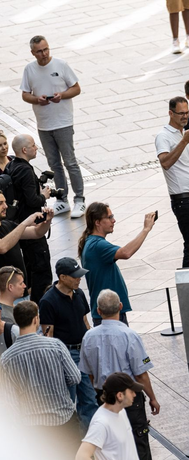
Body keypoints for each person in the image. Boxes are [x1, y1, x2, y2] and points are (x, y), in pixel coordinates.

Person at [79, 289, 162, 460]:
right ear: (120, 308)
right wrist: (152, 397)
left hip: (104, 397)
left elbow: (88, 373)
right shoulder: (129, 335)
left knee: (112, 446)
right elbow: (141, 373)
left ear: (97, 311)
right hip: (129, 398)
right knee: (139, 441)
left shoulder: (89, 336)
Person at [0, 300, 82, 454]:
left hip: (34, 429)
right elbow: (75, 377)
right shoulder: (56, 345)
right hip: (63, 419)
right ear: (36, 319)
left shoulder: (6, 358)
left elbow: (10, 402)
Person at [20, 35, 84, 218]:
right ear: (33, 53)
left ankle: (80, 199)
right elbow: (25, 94)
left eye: (46, 49)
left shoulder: (61, 65)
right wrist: (36, 99)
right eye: (39, 51)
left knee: (70, 162)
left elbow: (76, 88)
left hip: (63, 122)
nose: (44, 54)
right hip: (44, 124)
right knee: (54, 164)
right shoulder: (29, 69)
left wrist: (62, 95)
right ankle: (62, 199)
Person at [39, 257, 97, 431]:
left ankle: (91, 440)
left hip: (82, 351)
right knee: (69, 401)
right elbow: (48, 335)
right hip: (65, 355)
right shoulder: (48, 301)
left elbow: (84, 321)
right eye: (75, 276)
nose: (79, 279)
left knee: (89, 399)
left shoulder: (78, 293)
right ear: (62, 277)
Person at [78, 202, 156, 326]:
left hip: (108, 312)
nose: (113, 220)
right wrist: (146, 229)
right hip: (109, 314)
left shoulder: (91, 242)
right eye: (109, 217)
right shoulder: (97, 245)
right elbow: (126, 253)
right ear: (97, 222)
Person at [156, 97, 189, 268]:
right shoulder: (164, 136)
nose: (185, 116)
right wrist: (184, 141)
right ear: (170, 113)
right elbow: (165, 163)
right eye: (181, 113)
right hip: (183, 199)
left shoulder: (184, 133)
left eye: (187, 112)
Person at [6, 134, 54, 303]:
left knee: (29, 267)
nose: (36, 148)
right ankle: (42, 308)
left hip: (19, 225)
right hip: (31, 225)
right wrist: (44, 195)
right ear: (25, 150)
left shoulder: (11, 165)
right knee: (41, 269)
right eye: (34, 145)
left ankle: (30, 305)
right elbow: (32, 200)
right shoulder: (26, 170)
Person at [0, 192, 53, 303]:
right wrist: (24, 223)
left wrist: (46, 221)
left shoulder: (7, 225)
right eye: (1, 203)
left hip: (20, 294)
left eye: (5, 202)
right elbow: (2, 247)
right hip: (4, 298)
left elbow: (37, 233)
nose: (6, 206)